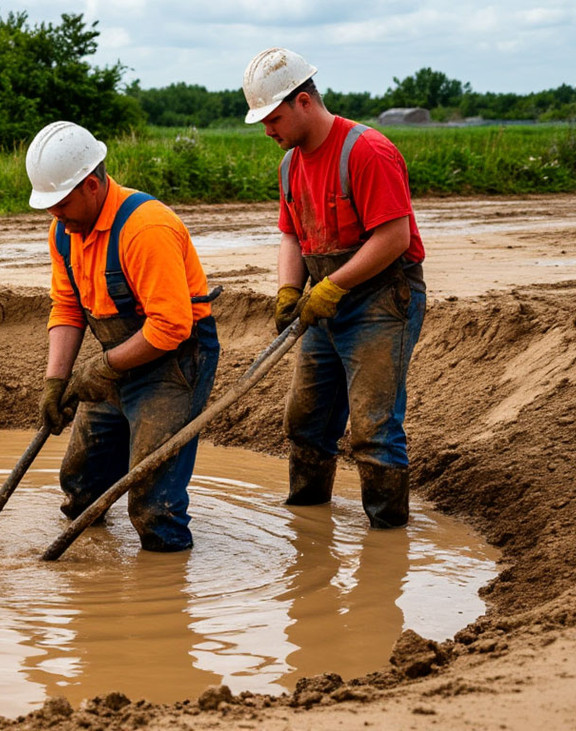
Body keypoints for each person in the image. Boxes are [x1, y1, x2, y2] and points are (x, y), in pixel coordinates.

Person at [242, 47, 427, 528]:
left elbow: (394, 237)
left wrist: (331, 287)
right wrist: (289, 290)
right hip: (324, 303)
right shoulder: (290, 165)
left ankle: (387, 536)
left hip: (380, 301)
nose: (268, 131)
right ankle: (308, 527)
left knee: (372, 430)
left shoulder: (367, 151)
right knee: (305, 423)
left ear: (303, 102)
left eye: (274, 119)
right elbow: (291, 234)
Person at [27, 121, 221, 552]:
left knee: (153, 506)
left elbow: (171, 326)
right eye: (49, 207)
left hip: (173, 365)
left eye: (62, 203)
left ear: (92, 185)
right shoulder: (64, 232)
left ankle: (165, 577)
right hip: (118, 360)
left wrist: (102, 367)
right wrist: (55, 382)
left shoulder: (145, 228)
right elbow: (68, 307)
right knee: (81, 484)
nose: (55, 216)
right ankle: (92, 570)